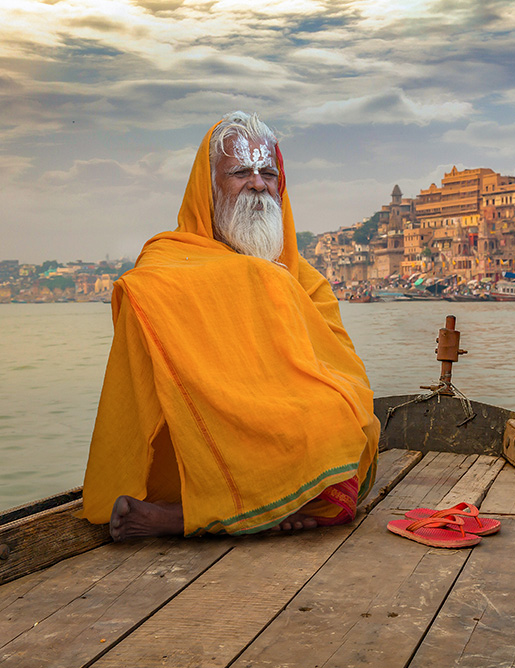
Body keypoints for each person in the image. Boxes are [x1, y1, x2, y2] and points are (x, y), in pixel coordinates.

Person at [79, 112, 380, 540]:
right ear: (208, 187)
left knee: (347, 427)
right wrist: (256, 279)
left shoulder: (303, 277)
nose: (258, 183)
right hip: (210, 427)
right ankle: (245, 510)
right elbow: (151, 308)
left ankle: (201, 516)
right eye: (240, 172)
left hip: (284, 422)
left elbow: (343, 374)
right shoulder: (167, 262)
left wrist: (270, 280)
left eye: (269, 173)